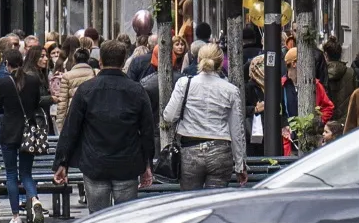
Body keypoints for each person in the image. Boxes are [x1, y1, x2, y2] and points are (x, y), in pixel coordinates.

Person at [53, 39, 156, 212]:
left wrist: (62, 163)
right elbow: (147, 130)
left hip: (95, 163)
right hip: (127, 163)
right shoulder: (137, 91)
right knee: (125, 220)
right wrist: (147, 165)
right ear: (124, 61)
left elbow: (71, 129)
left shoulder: (86, 90)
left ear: (100, 61)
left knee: (98, 219)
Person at [162, 44, 247, 190]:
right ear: (220, 63)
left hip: (190, 150)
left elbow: (169, 116)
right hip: (220, 151)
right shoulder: (231, 90)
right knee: (214, 203)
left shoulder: (185, 84)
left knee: (191, 204)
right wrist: (240, 165)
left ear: (199, 59)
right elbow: (237, 130)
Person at [0, 47, 47, 223]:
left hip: (9, 131)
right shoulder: (33, 81)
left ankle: (16, 217)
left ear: (7, 64)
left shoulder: (2, 82)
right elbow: (35, 104)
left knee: (11, 174)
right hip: (28, 131)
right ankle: (34, 199)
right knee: (26, 173)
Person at [319, 38, 357, 128]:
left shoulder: (321, 74)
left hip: (326, 124)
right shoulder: (351, 73)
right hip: (346, 123)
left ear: (325, 55)